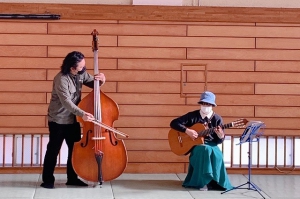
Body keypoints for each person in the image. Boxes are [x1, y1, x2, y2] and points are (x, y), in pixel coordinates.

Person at [40, 51, 106, 189]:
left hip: (73, 119)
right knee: (53, 150)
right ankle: (47, 180)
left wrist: (101, 80)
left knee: (74, 150)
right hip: (58, 120)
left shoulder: (81, 74)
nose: (84, 68)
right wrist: (83, 113)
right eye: (81, 66)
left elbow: (94, 84)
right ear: (72, 67)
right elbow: (67, 102)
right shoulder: (61, 79)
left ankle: (72, 178)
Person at [170, 91, 233, 191]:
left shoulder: (217, 118)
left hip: (212, 144)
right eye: (203, 103)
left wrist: (220, 135)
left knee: (218, 155)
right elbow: (174, 123)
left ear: (212, 105)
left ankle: (215, 181)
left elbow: (219, 141)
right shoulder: (192, 115)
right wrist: (187, 130)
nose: (205, 106)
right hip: (196, 145)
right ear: (200, 104)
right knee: (205, 151)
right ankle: (202, 182)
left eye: (208, 104)